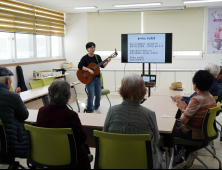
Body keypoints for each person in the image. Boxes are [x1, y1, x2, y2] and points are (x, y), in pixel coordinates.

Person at [103, 74, 163, 169]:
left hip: (115, 161)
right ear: (143, 91)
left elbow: (104, 135)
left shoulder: (112, 111)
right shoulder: (149, 114)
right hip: (143, 163)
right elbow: (156, 140)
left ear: (122, 91)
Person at [36, 80, 91, 169]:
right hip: (68, 157)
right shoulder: (71, 115)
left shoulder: (42, 111)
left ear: (49, 95)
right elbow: (81, 138)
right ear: (68, 97)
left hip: (47, 154)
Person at [172, 70, 217, 169]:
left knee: (168, 132)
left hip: (193, 134)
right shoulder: (211, 98)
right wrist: (184, 109)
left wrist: (183, 109)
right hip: (205, 133)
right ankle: (187, 151)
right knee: (174, 124)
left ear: (195, 85)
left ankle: (177, 157)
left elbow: (184, 121)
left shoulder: (196, 99)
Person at [0, 66, 29, 160]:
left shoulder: (12, 96)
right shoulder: (12, 97)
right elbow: (24, 115)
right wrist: (16, 98)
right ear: (8, 81)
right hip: (9, 143)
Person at [78, 42, 111, 113]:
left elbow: (102, 66)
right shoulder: (85, 58)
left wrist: (107, 62)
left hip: (97, 78)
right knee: (91, 95)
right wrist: (88, 69)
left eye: (94, 47)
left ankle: (96, 106)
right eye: (91, 47)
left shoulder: (97, 57)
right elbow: (80, 66)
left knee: (98, 94)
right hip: (89, 79)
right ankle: (89, 110)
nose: (93, 49)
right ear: (87, 49)